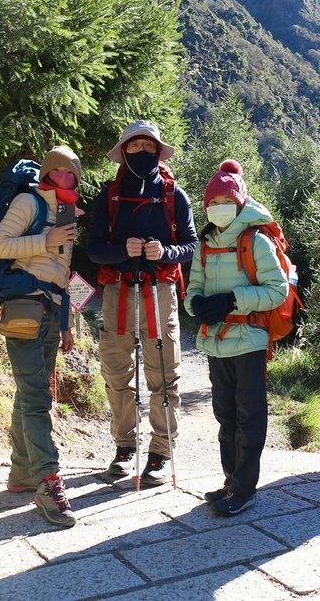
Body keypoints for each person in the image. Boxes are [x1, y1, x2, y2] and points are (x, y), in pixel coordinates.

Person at [87, 120, 198, 486]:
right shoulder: (109, 196)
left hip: (159, 290)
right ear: (123, 152)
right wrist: (123, 251)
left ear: (158, 151)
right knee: (117, 372)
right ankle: (125, 448)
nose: (142, 153)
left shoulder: (174, 195)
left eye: (148, 147)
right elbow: (94, 249)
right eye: (134, 147)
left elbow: (191, 245)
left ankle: (161, 452)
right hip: (118, 290)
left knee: (164, 371)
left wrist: (164, 250)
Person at [185, 159, 289, 516]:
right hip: (216, 342)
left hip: (249, 340)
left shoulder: (256, 240)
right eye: (212, 204)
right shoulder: (204, 243)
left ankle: (245, 490)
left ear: (239, 202)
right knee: (225, 415)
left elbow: (277, 292)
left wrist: (232, 301)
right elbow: (192, 289)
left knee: (249, 416)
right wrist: (196, 306)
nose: (217, 208)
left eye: (223, 201)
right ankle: (231, 481)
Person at [0, 145, 81, 528]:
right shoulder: (28, 202)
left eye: (73, 174)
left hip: (49, 312)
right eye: (60, 172)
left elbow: (63, 273)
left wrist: (67, 323)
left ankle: (21, 471)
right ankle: (47, 480)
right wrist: (45, 240)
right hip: (24, 306)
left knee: (30, 391)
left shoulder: (68, 213)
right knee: (37, 395)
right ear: (47, 173)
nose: (67, 178)